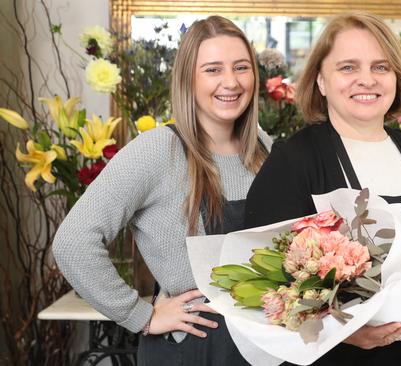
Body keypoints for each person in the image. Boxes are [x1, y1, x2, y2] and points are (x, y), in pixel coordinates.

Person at [245, 12, 401, 366]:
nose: (366, 80)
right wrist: (341, 331)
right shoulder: (293, 162)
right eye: (348, 67)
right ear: (320, 80)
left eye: (380, 67)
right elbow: (263, 284)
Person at [53, 16, 269, 365]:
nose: (231, 82)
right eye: (213, 69)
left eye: (241, 67)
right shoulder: (158, 150)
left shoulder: (263, 148)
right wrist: (142, 315)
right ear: (188, 79)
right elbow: (73, 242)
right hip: (194, 349)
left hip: (264, 346)